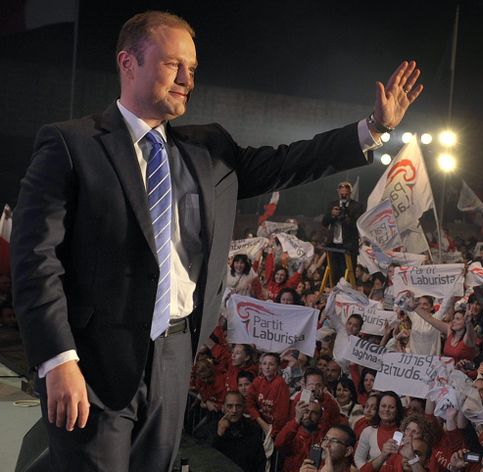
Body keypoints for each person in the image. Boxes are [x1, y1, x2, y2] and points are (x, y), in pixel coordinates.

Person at [10, 10, 423, 470]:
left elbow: (292, 161)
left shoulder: (209, 150)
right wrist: (56, 359)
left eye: (193, 68)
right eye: (173, 65)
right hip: (91, 362)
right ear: (128, 63)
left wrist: (374, 128)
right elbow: (36, 260)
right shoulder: (72, 144)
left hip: (174, 355)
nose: (188, 78)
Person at [198, 391, 266, 470]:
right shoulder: (211, 428)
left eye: (238, 406)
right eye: (230, 406)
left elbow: (260, 461)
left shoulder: (253, 429)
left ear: (244, 408)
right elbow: (205, 457)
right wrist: (219, 435)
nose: (234, 410)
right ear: (223, 408)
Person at [323, 181, 365, 285]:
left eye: (346, 193)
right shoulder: (332, 205)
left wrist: (345, 215)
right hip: (333, 245)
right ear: (338, 192)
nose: (344, 195)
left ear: (350, 192)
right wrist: (332, 215)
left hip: (348, 246)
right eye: (342, 193)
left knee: (346, 275)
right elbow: (324, 222)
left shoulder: (357, 206)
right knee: (334, 273)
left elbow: (356, 225)